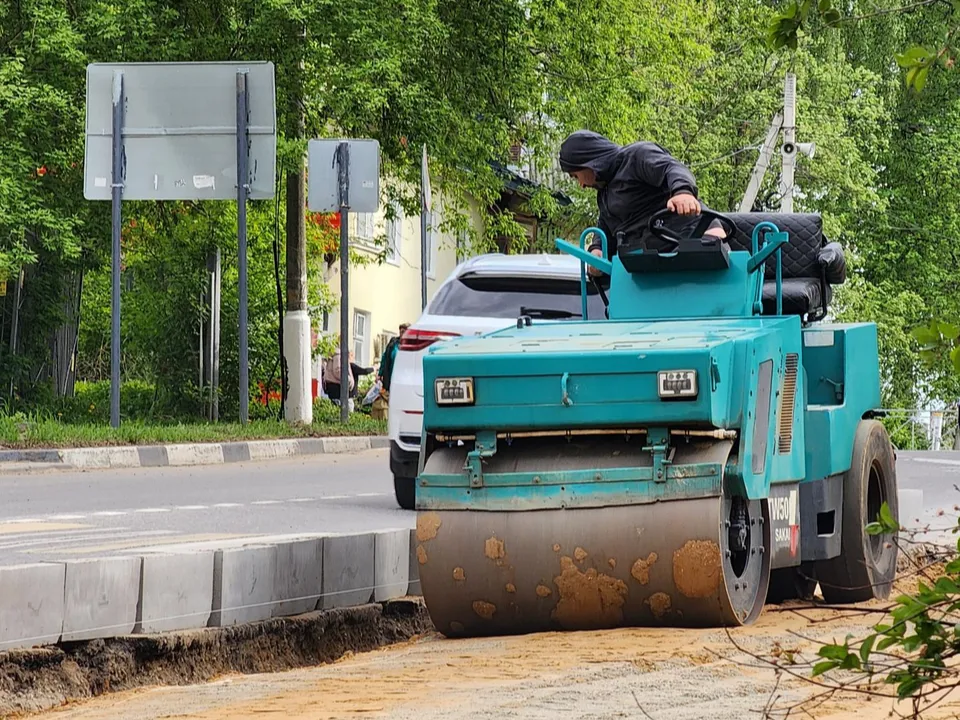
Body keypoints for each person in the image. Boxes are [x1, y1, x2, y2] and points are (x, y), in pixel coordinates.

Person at [558, 130, 726, 275]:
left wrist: (683, 192)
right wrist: (597, 250)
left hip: (696, 239)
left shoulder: (637, 156)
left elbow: (672, 168)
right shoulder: (604, 193)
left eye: (575, 176)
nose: (580, 185)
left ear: (588, 162)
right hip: (651, 263)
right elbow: (606, 226)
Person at [371, 323, 409, 420]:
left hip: (405, 379)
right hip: (391, 377)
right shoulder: (393, 343)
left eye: (404, 331)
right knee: (390, 398)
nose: (402, 333)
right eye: (401, 331)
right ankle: (391, 419)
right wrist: (380, 374)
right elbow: (385, 358)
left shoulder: (412, 345)